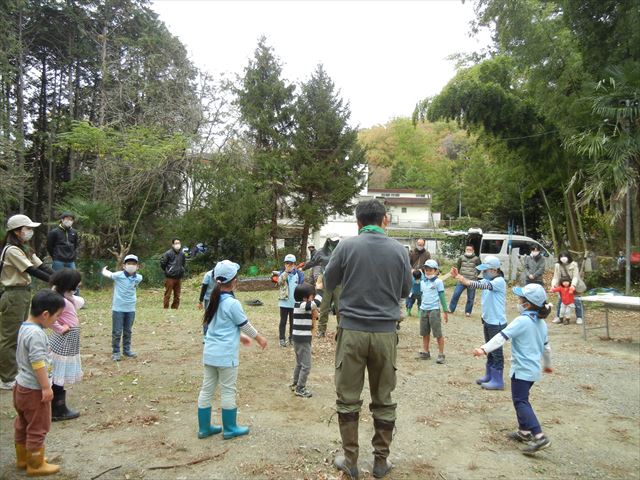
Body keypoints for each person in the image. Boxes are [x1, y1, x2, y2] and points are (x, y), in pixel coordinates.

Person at [324, 199, 412, 479]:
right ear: (385, 219)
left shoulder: (347, 246)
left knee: (348, 398)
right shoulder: (400, 250)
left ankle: (351, 461)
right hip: (386, 333)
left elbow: (328, 282)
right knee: (383, 398)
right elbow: (407, 289)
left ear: (358, 222)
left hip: (352, 331)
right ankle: (380, 462)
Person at [473, 283, 552, 455]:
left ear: (527, 304)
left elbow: (501, 337)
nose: (518, 301)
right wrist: (547, 365)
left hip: (522, 371)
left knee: (521, 401)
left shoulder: (522, 321)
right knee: (521, 399)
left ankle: (539, 436)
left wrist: (483, 349)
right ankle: (524, 432)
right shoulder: (541, 323)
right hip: (533, 371)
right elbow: (546, 347)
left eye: (520, 299)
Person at [196, 260, 267, 440]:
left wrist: (240, 337)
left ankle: (204, 428)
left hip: (210, 352)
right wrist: (259, 339)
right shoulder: (232, 303)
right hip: (226, 356)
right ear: (234, 280)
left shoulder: (212, 300)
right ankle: (230, 428)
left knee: (207, 390)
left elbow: (218, 326)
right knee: (228, 390)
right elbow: (245, 325)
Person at [13, 289, 65, 475]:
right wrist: (45, 387)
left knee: (23, 423)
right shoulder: (37, 335)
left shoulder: (25, 327)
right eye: (57, 316)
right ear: (45, 314)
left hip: (21, 386)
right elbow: (38, 362)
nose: (57, 320)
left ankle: (23, 458)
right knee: (38, 426)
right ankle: (35, 464)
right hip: (35, 389)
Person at [1, 215, 52, 390]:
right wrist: (54, 282)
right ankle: (7, 378)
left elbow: (41, 266)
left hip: (22, 294)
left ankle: (14, 372)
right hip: (13, 294)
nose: (30, 231)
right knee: (9, 338)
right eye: (27, 228)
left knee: (19, 334)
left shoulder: (24, 249)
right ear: (16, 231)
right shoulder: (11, 250)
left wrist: (59, 277)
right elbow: (31, 270)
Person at [452, 255, 507, 390]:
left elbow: (478, 284)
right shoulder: (489, 280)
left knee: (496, 352)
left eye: (486, 270)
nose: (483, 273)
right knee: (489, 349)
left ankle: (498, 379)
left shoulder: (499, 281)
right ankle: (489, 375)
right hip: (488, 320)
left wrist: (463, 280)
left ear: (494, 270)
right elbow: (478, 281)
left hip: (497, 322)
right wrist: (461, 277)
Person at [49, 269, 84, 421]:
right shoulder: (59, 300)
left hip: (70, 339)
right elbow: (50, 317)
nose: (79, 285)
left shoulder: (64, 296)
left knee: (59, 372)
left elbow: (78, 302)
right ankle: (57, 408)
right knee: (58, 371)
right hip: (65, 339)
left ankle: (57, 405)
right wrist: (60, 328)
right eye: (76, 283)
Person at [102, 254, 143, 361]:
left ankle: (126, 350)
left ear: (137, 267)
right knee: (117, 331)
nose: (131, 266)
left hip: (131, 309)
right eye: (129, 263)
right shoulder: (118, 275)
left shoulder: (139, 278)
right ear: (124, 266)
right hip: (118, 309)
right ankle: (116, 352)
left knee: (128, 331)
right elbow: (108, 274)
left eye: (134, 264)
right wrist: (104, 270)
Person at [304, 234, 341, 337]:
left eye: (336, 241)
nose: (334, 243)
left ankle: (341, 331)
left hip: (338, 283)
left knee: (339, 308)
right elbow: (312, 262)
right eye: (332, 241)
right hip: (326, 283)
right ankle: (321, 330)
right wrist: (302, 268)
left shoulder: (342, 251)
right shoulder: (321, 252)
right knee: (324, 307)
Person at [290, 283, 321, 398]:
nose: (313, 299)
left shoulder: (300, 305)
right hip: (302, 339)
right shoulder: (302, 305)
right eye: (312, 296)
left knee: (299, 363)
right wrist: (320, 291)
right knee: (306, 365)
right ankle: (300, 388)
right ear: (305, 298)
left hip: (299, 338)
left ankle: (295, 383)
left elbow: (314, 313)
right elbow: (315, 304)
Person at [417, 259, 449, 364]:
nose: (427, 271)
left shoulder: (438, 282)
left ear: (435, 270)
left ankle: (441, 354)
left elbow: (442, 296)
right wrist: (420, 308)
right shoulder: (422, 282)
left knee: (437, 333)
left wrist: (445, 311)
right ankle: (425, 351)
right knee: (424, 332)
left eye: (430, 269)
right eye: (426, 269)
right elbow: (421, 295)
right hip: (424, 309)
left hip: (434, 310)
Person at [550, 251, 584, 325]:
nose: (563, 258)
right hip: (562, 286)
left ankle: (579, 317)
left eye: (565, 256)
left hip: (573, 285)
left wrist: (573, 285)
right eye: (561, 257)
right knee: (560, 301)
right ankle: (559, 317)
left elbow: (576, 276)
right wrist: (553, 285)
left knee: (577, 301)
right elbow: (555, 277)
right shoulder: (558, 265)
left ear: (568, 257)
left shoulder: (574, 264)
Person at [277, 254, 303, 347]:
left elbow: (301, 286)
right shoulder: (281, 273)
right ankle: (282, 338)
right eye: (287, 263)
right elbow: (279, 282)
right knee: (283, 321)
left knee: (293, 322)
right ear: (284, 264)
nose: (288, 265)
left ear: (294, 264)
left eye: (291, 263)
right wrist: (286, 272)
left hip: (295, 302)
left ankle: (292, 338)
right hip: (284, 302)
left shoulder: (299, 274)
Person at [448, 244, 481, 317]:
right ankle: (451, 309)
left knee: (471, 297)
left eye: (470, 250)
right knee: (456, 294)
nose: (468, 251)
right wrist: (459, 275)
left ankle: (468, 312)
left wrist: (475, 275)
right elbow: (458, 266)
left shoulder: (476, 258)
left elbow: (479, 268)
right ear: (465, 250)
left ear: (473, 251)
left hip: (472, 281)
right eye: (467, 249)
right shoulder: (461, 257)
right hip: (461, 279)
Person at [160, 238, 186, 309]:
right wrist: (167, 271)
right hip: (170, 278)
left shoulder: (182, 254)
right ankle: (165, 308)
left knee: (177, 295)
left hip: (178, 277)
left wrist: (181, 270)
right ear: (172, 244)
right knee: (168, 294)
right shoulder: (168, 253)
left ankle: (175, 308)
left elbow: (183, 264)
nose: (178, 244)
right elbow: (163, 263)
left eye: (179, 243)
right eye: (176, 243)